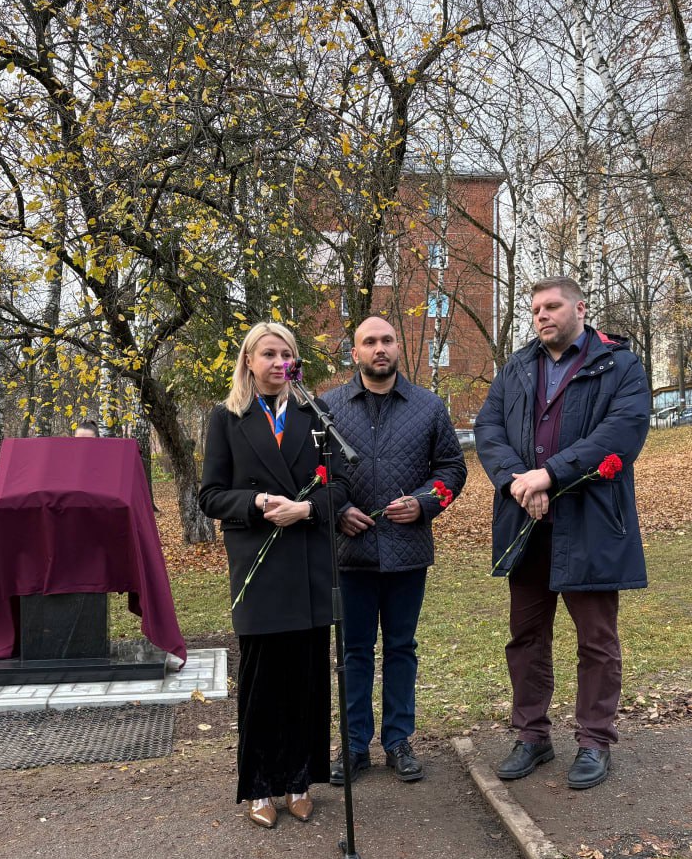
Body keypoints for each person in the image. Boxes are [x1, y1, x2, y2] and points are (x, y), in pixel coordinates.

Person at [474, 276, 650, 790]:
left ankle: (595, 740)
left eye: (552, 306)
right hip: (526, 522)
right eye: (534, 310)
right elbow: (489, 430)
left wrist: (549, 475)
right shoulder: (517, 367)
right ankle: (532, 735)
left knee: (596, 640)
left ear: (580, 307)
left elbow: (620, 433)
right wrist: (516, 481)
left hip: (591, 523)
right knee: (525, 636)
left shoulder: (619, 364)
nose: (542, 316)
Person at [199, 322, 336, 829]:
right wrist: (256, 502)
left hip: (305, 565)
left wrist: (306, 509)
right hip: (258, 567)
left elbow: (341, 484)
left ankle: (299, 780)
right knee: (262, 685)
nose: (280, 363)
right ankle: (259, 785)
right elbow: (210, 494)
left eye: (288, 355)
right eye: (269, 354)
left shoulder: (316, 414)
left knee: (306, 680)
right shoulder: (227, 418)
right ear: (249, 361)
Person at [322, 316, 467, 785]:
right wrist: (338, 509)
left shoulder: (428, 407)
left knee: (401, 648)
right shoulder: (328, 409)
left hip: (407, 552)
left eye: (386, 340)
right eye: (370, 342)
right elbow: (313, 475)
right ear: (355, 352)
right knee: (354, 651)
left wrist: (425, 503)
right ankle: (354, 744)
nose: (379, 349)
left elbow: (453, 469)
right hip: (351, 552)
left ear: (397, 348)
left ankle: (399, 740)